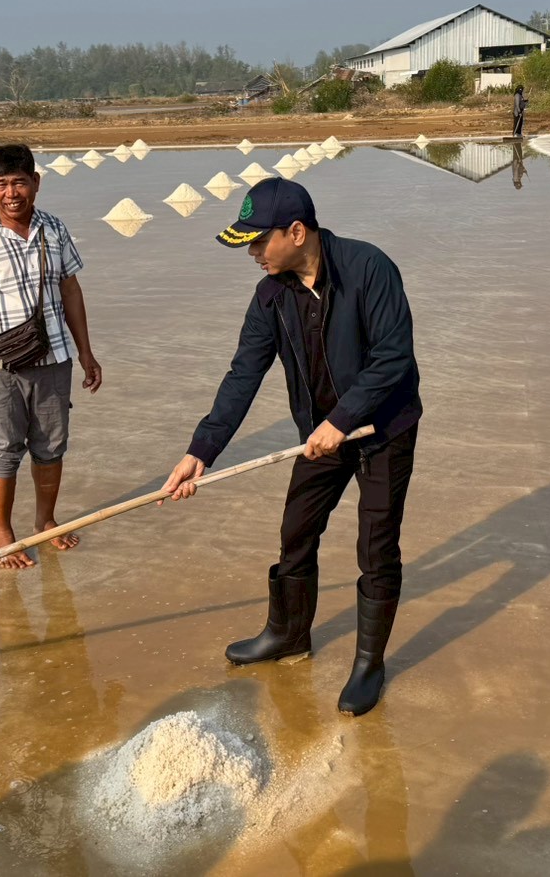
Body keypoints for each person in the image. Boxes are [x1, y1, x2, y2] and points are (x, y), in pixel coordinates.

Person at [160, 177, 422, 717]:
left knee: (376, 546)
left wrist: (345, 418)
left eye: (259, 242)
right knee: (296, 530)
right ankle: (288, 634)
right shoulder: (271, 296)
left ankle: (369, 663)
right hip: (321, 438)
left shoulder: (370, 269)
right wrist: (200, 452)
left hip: (382, 431)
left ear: (296, 232)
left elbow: (393, 357)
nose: (253, 254)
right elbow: (242, 377)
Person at [0, 144, 102, 569]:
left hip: (53, 359)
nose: (12, 193)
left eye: (19, 182)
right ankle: (3, 534)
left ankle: (46, 522)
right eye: (2, 184)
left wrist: (86, 351)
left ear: (36, 183)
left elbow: (70, 289)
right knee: (1, 448)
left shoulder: (54, 229)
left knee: (51, 447)